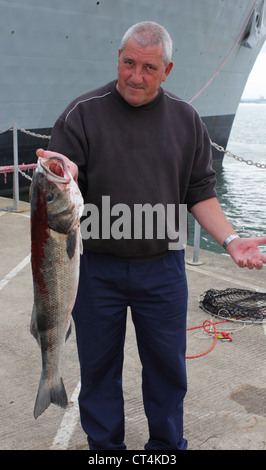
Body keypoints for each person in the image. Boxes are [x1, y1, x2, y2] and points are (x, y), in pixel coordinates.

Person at [37, 21, 266, 450]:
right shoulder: (82, 113)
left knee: (166, 369)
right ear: (118, 60)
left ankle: (165, 450)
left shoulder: (186, 119)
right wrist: (61, 170)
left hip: (162, 269)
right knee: (99, 367)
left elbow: (200, 192)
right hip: (95, 268)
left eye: (149, 67)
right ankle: (106, 450)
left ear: (168, 70)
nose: (135, 76)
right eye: (128, 63)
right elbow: (62, 174)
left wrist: (231, 240)